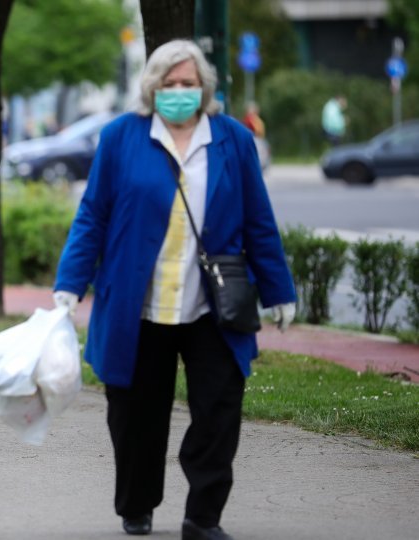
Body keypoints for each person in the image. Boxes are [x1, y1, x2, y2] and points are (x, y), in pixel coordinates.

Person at [52, 40, 296, 540]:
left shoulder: (233, 140)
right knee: (135, 417)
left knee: (219, 411)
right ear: (152, 87)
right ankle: (137, 502)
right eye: (170, 84)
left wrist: (279, 289)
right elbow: (93, 215)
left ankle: (202, 518)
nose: (180, 92)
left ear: (205, 88)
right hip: (138, 305)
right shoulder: (121, 136)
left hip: (212, 305)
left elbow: (258, 219)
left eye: (189, 83)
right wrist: (70, 283)